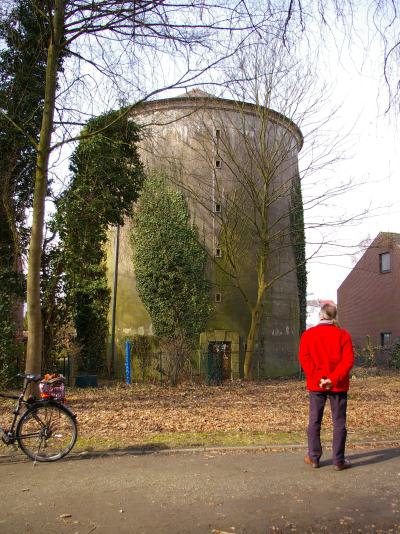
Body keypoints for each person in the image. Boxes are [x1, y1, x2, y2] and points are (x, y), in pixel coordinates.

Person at [298, 303, 354, 471]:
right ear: (334, 317)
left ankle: (314, 457)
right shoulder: (343, 335)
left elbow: (305, 359)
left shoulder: (308, 335)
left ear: (321, 316)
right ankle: (338, 460)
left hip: (316, 385)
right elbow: (348, 361)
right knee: (339, 423)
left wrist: (319, 379)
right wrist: (332, 379)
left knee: (315, 420)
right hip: (338, 385)